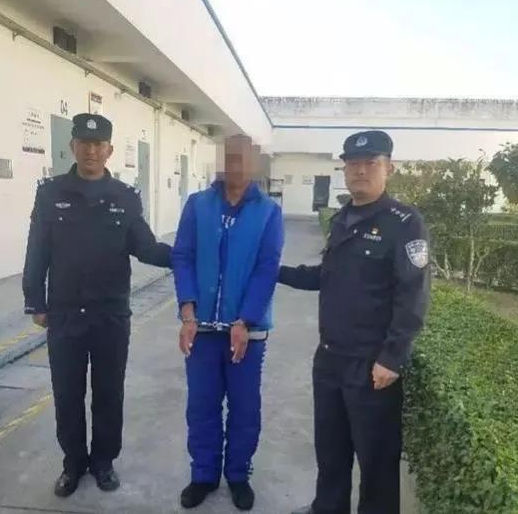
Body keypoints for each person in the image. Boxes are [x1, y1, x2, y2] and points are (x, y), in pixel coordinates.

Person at [280, 130, 430, 514]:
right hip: (330, 358)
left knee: (376, 462)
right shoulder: (342, 218)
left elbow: (413, 294)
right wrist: (276, 272)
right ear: (344, 170)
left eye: (371, 163)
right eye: (353, 164)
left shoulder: (403, 222)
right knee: (330, 450)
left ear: (388, 169)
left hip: (371, 365)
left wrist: (392, 358)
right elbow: (328, 276)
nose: (361, 171)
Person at [22, 113, 172, 498]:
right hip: (65, 313)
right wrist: (34, 300)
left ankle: (103, 462)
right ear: (73, 146)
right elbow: (37, 249)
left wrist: (186, 254)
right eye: (84, 143)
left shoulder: (125, 197)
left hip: (110, 315)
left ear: (109, 150)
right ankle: (73, 464)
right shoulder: (50, 193)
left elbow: (145, 247)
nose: (91, 151)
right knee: (67, 394)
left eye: (98, 144)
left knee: (109, 393)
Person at [172, 134, 284, 511]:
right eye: (230, 158)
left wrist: (245, 320)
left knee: (244, 407)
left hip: (247, 334)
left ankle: (238, 475)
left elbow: (267, 268)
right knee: (202, 406)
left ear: (255, 163)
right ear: (221, 161)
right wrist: (188, 313)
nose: (236, 165)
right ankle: (203, 475)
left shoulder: (268, 212)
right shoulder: (198, 205)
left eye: (243, 158)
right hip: (202, 329)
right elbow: (183, 257)